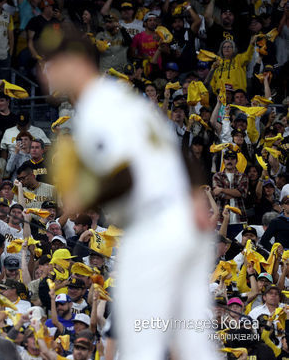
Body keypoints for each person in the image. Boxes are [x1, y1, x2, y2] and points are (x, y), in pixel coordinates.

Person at [38, 24, 217, 360]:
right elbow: (175, 155)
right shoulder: (123, 99)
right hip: (182, 225)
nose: (43, 71)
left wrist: (83, 196)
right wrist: (193, 199)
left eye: (51, 62)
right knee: (192, 346)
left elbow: (127, 173)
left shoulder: (96, 107)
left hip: (153, 229)